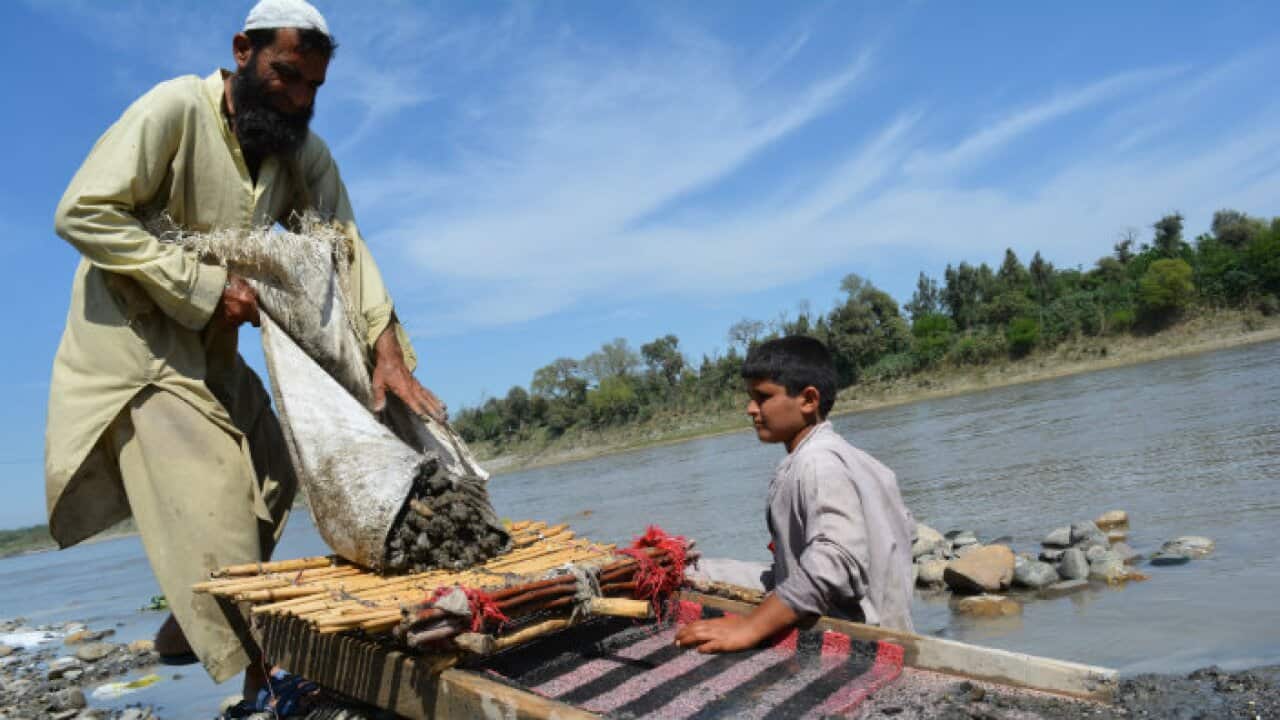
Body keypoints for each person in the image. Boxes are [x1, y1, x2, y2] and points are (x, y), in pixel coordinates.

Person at [44, 0, 444, 699]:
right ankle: (264, 683)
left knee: (278, 464)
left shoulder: (299, 155)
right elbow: (82, 210)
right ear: (242, 52)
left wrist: (387, 353)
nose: (298, 98)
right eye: (286, 75)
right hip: (137, 349)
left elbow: (345, 245)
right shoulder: (175, 111)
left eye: (313, 86)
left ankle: (188, 621)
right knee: (219, 501)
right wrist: (199, 284)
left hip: (212, 355)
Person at [675, 336, 916, 653]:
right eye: (750, 398)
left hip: (863, 648)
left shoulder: (816, 465)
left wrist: (750, 627)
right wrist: (695, 572)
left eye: (762, 397)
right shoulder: (865, 463)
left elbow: (835, 564)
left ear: (808, 400)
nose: (751, 409)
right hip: (897, 634)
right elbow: (792, 574)